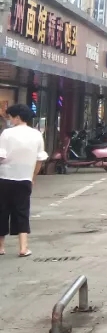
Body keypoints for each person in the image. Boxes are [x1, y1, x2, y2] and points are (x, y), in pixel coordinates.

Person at [0, 104, 48, 257]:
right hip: (25, 179)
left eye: (11, 117)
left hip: (4, 177)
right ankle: (23, 247)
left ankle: (1, 247)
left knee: (2, 211)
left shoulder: (7, 134)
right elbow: (40, 158)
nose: (10, 120)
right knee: (22, 211)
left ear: (17, 117)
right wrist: (33, 177)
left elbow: (1, 155)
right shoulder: (37, 135)